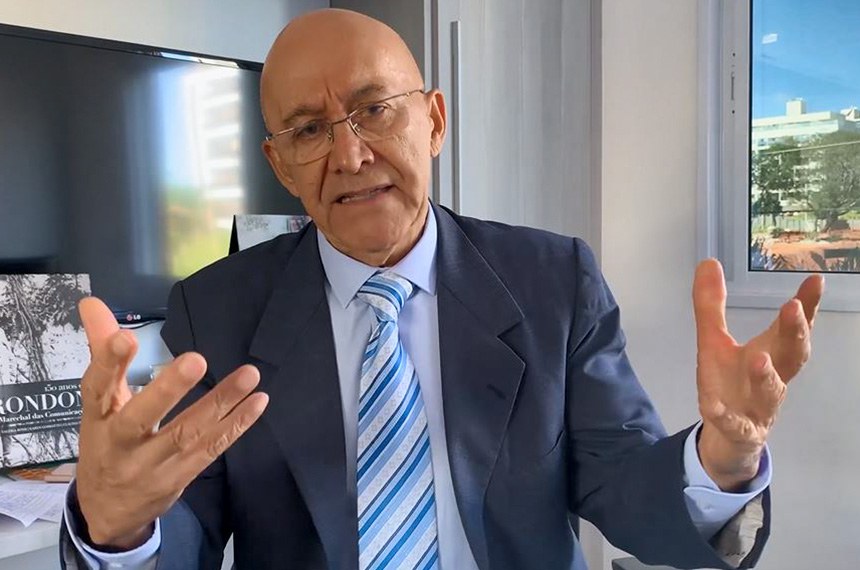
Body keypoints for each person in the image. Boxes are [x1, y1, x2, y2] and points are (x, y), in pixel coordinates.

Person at [59, 8, 824, 570]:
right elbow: (182, 526)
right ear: (280, 164)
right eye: (309, 130)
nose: (349, 155)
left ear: (433, 121)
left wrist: (722, 459)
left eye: (374, 110)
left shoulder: (552, 281)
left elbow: (621, 482)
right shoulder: (217, 309)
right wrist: (117, 529)